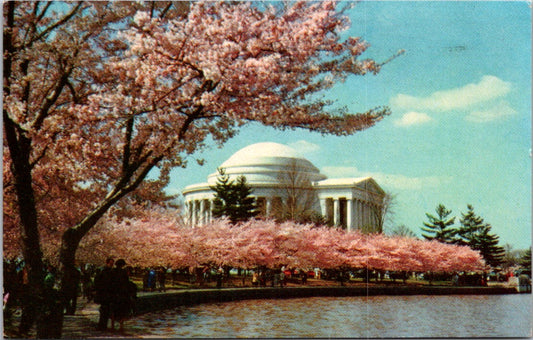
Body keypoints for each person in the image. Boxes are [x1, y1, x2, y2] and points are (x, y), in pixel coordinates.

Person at [110, 259, 134, 332]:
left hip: (114, 293)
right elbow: (126, 283)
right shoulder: (123, 272)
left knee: (113, 310)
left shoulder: (112, 271)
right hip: (122, 293)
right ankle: (121, 326)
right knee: (122, 310)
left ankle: (112, 326)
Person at [94, 258, 115, 331]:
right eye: (110, 263)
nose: (112, 265)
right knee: (104, 310)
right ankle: (102, 326)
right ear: (107, 263)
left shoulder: (108, 271)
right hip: (105, 293)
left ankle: (102, 325)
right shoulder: (104, 272)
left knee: (104, 311)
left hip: (106, 294)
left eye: (112, 263)